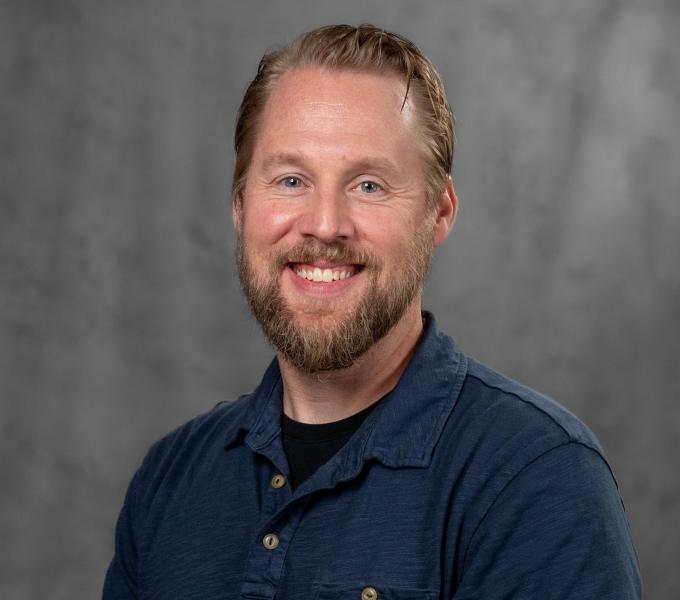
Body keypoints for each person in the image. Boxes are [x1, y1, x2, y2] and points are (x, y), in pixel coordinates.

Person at [103, 24, 641, 599]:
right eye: (291, 180)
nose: (325, 223)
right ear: (241, 207)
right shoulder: (169, 478)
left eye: (368, 185)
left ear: (438, 213)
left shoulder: (535, 476)